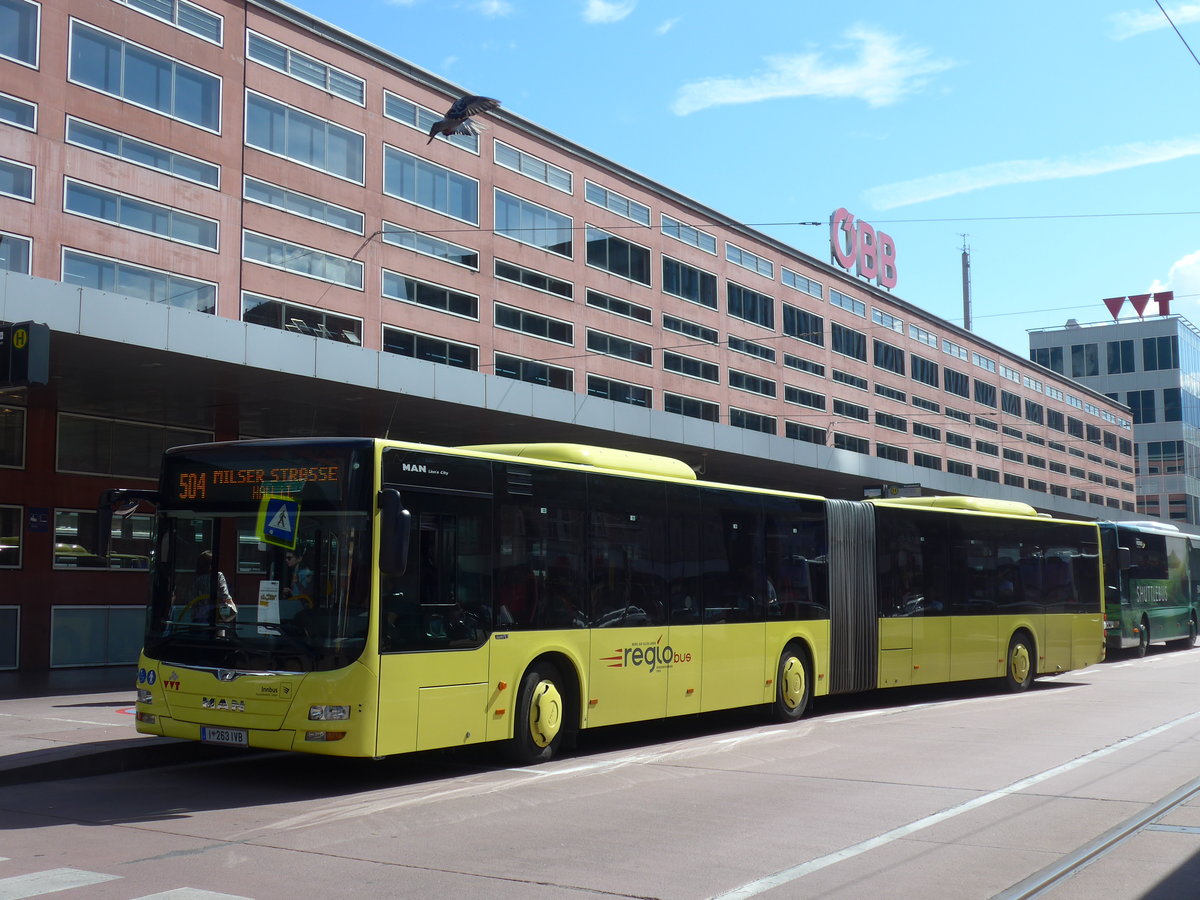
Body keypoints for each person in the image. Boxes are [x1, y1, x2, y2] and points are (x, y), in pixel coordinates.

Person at [189, 550, 236, 623]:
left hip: (198, 619)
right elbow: (225, 596)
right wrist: (233, 609)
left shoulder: (196, 578)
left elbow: (192, 600)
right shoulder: (218, 576)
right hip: (215, 619)